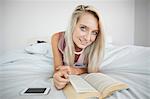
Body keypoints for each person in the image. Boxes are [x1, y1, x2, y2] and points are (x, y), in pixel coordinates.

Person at [51, 5, 105, 89]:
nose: (87, 38)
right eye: (83, 28)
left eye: (94, 32)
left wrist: (76, 70)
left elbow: (94, 69)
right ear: (73, 25)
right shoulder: (57, 38)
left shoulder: (95, 44)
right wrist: (58, 78)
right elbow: (58, 69)